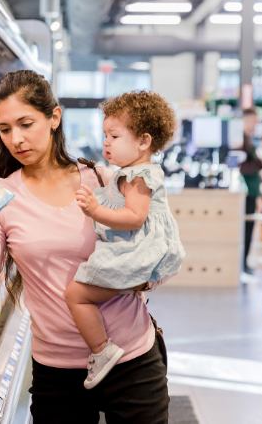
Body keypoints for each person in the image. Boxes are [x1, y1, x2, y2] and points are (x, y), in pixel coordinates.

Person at [0, 70, 171, 423]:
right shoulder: (0, 199)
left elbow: (154, 238)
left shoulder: (100, 179)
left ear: (54, 118)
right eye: (5, 129)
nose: (17, 139)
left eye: (26, 123)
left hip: (132, 359)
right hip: (58, 372)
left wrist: (148, 276)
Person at [66, 91, 184, 389]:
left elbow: (134, 217)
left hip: (137, 251)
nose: (106, 142)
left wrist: (96, 210)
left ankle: (101, 349)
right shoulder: (131, 172)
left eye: (114, 136)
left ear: (143, 141)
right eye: (105, 135)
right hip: (141, 249)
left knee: (76, 295)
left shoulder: (138, 176)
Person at [240, 108, 262, 275]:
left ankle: (244, 263)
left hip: (252, 191)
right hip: (246, 192)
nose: (255, 125)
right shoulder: (240, 141)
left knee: (249, 228)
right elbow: (243, 166)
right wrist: (260, 164)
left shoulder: (247, 139)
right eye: (253, 121)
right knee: (246, 228)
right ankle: (242, 264)